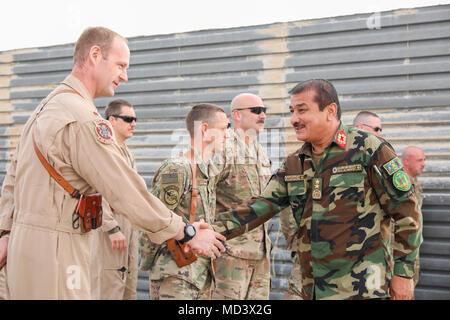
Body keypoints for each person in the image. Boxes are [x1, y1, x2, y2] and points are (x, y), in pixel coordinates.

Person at [0, 27, 225, 300]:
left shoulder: (45, 108)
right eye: (120, 65)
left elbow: (12, 177)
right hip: (58, 252)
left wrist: (6, 232)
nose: (124, 76)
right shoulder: (82, 118)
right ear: (95, 55)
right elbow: (124, 188)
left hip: (23, 248)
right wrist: (184, 231)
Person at [214, 79, 422, 300]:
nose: (294, 119)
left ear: (330, 111)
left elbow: (407, 212)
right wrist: (208, 231)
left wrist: (404, 273)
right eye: (292, 111)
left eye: (302, 111)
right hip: (313, 289)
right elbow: (260, 206)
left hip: (363, 289)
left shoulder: (367, 149)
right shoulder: (295, 163)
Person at [139, 103, 229, 300]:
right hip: (176, 277)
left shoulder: (207, 170)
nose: (227, 135)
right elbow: (153, 220)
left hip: (199, 274)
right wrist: (149, 262)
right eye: (223, 129)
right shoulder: (178, 169)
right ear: (205, 130)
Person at [211, 93, 272, 300]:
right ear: (236, 115)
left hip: (260, 252)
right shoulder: (223, 149)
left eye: (264, 110)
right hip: (230, 254)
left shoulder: (260, 151)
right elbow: (203, 196)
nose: (262, 115)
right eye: (256, 111)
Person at [90, 99, 139, 299]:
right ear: (112, 120)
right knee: (108, 286)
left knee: (129, 285)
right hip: (110, 226)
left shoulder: (127, 152)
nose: (133, 123)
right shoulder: (103, 150)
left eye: (135, 119)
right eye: (128, 119)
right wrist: (111, 227)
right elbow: (95, 190)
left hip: (129, 224)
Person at [401, 145, 426, 287]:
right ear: (406, 161)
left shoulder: (414, 183)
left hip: (412, 253)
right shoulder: (399, 185)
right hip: (401, 255)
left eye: (424, 160)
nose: (424, 164)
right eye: (420, 160)